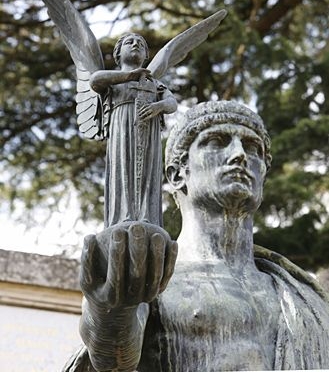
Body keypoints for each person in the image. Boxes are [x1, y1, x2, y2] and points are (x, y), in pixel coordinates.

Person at [63, 101, 329, 372]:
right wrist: (113, 313)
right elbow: (113, 359)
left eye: (253, 148)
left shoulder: (302, 296)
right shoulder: (154, 277)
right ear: (177, 174)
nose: (240, 155)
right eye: (216, 141)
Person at [90, 33, 177, 227]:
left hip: (149, 129)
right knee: (123, 169)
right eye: (129, 42)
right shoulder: (113, 80)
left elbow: (172, 103)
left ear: (146, 55)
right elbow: (95, 80)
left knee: (149, 173)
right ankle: (122, 216)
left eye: (141, 44)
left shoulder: (154, 82)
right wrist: (130, 76)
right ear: (118, 54)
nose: (135, 44)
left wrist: (158, 106)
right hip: (122, 126)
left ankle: (148, 217)